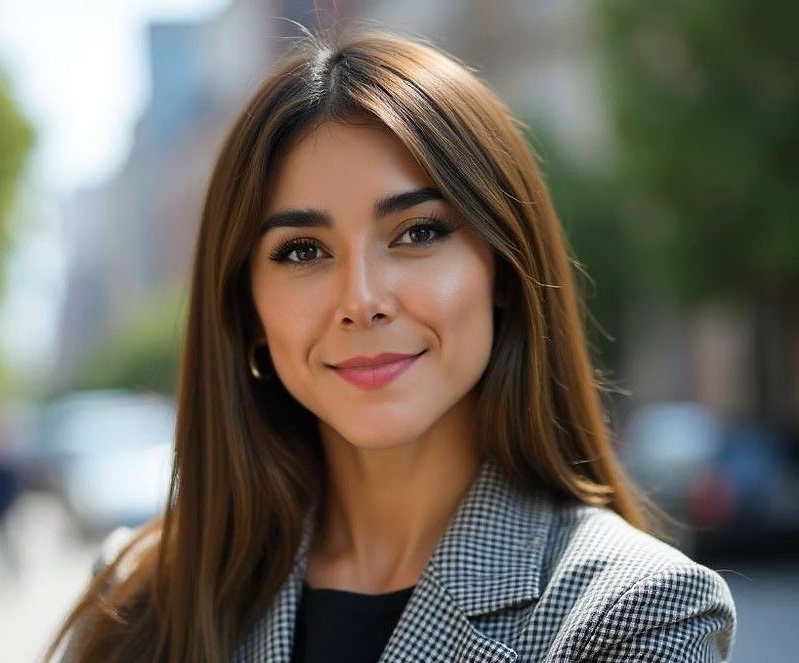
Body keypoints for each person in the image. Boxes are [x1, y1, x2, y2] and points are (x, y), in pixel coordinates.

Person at [45, 26, 737, 663]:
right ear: (247, 310)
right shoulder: (140, 600)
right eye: (302, 250)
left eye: (417, 233)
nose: (361, 300)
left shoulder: (637, 610)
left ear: (502, 270)